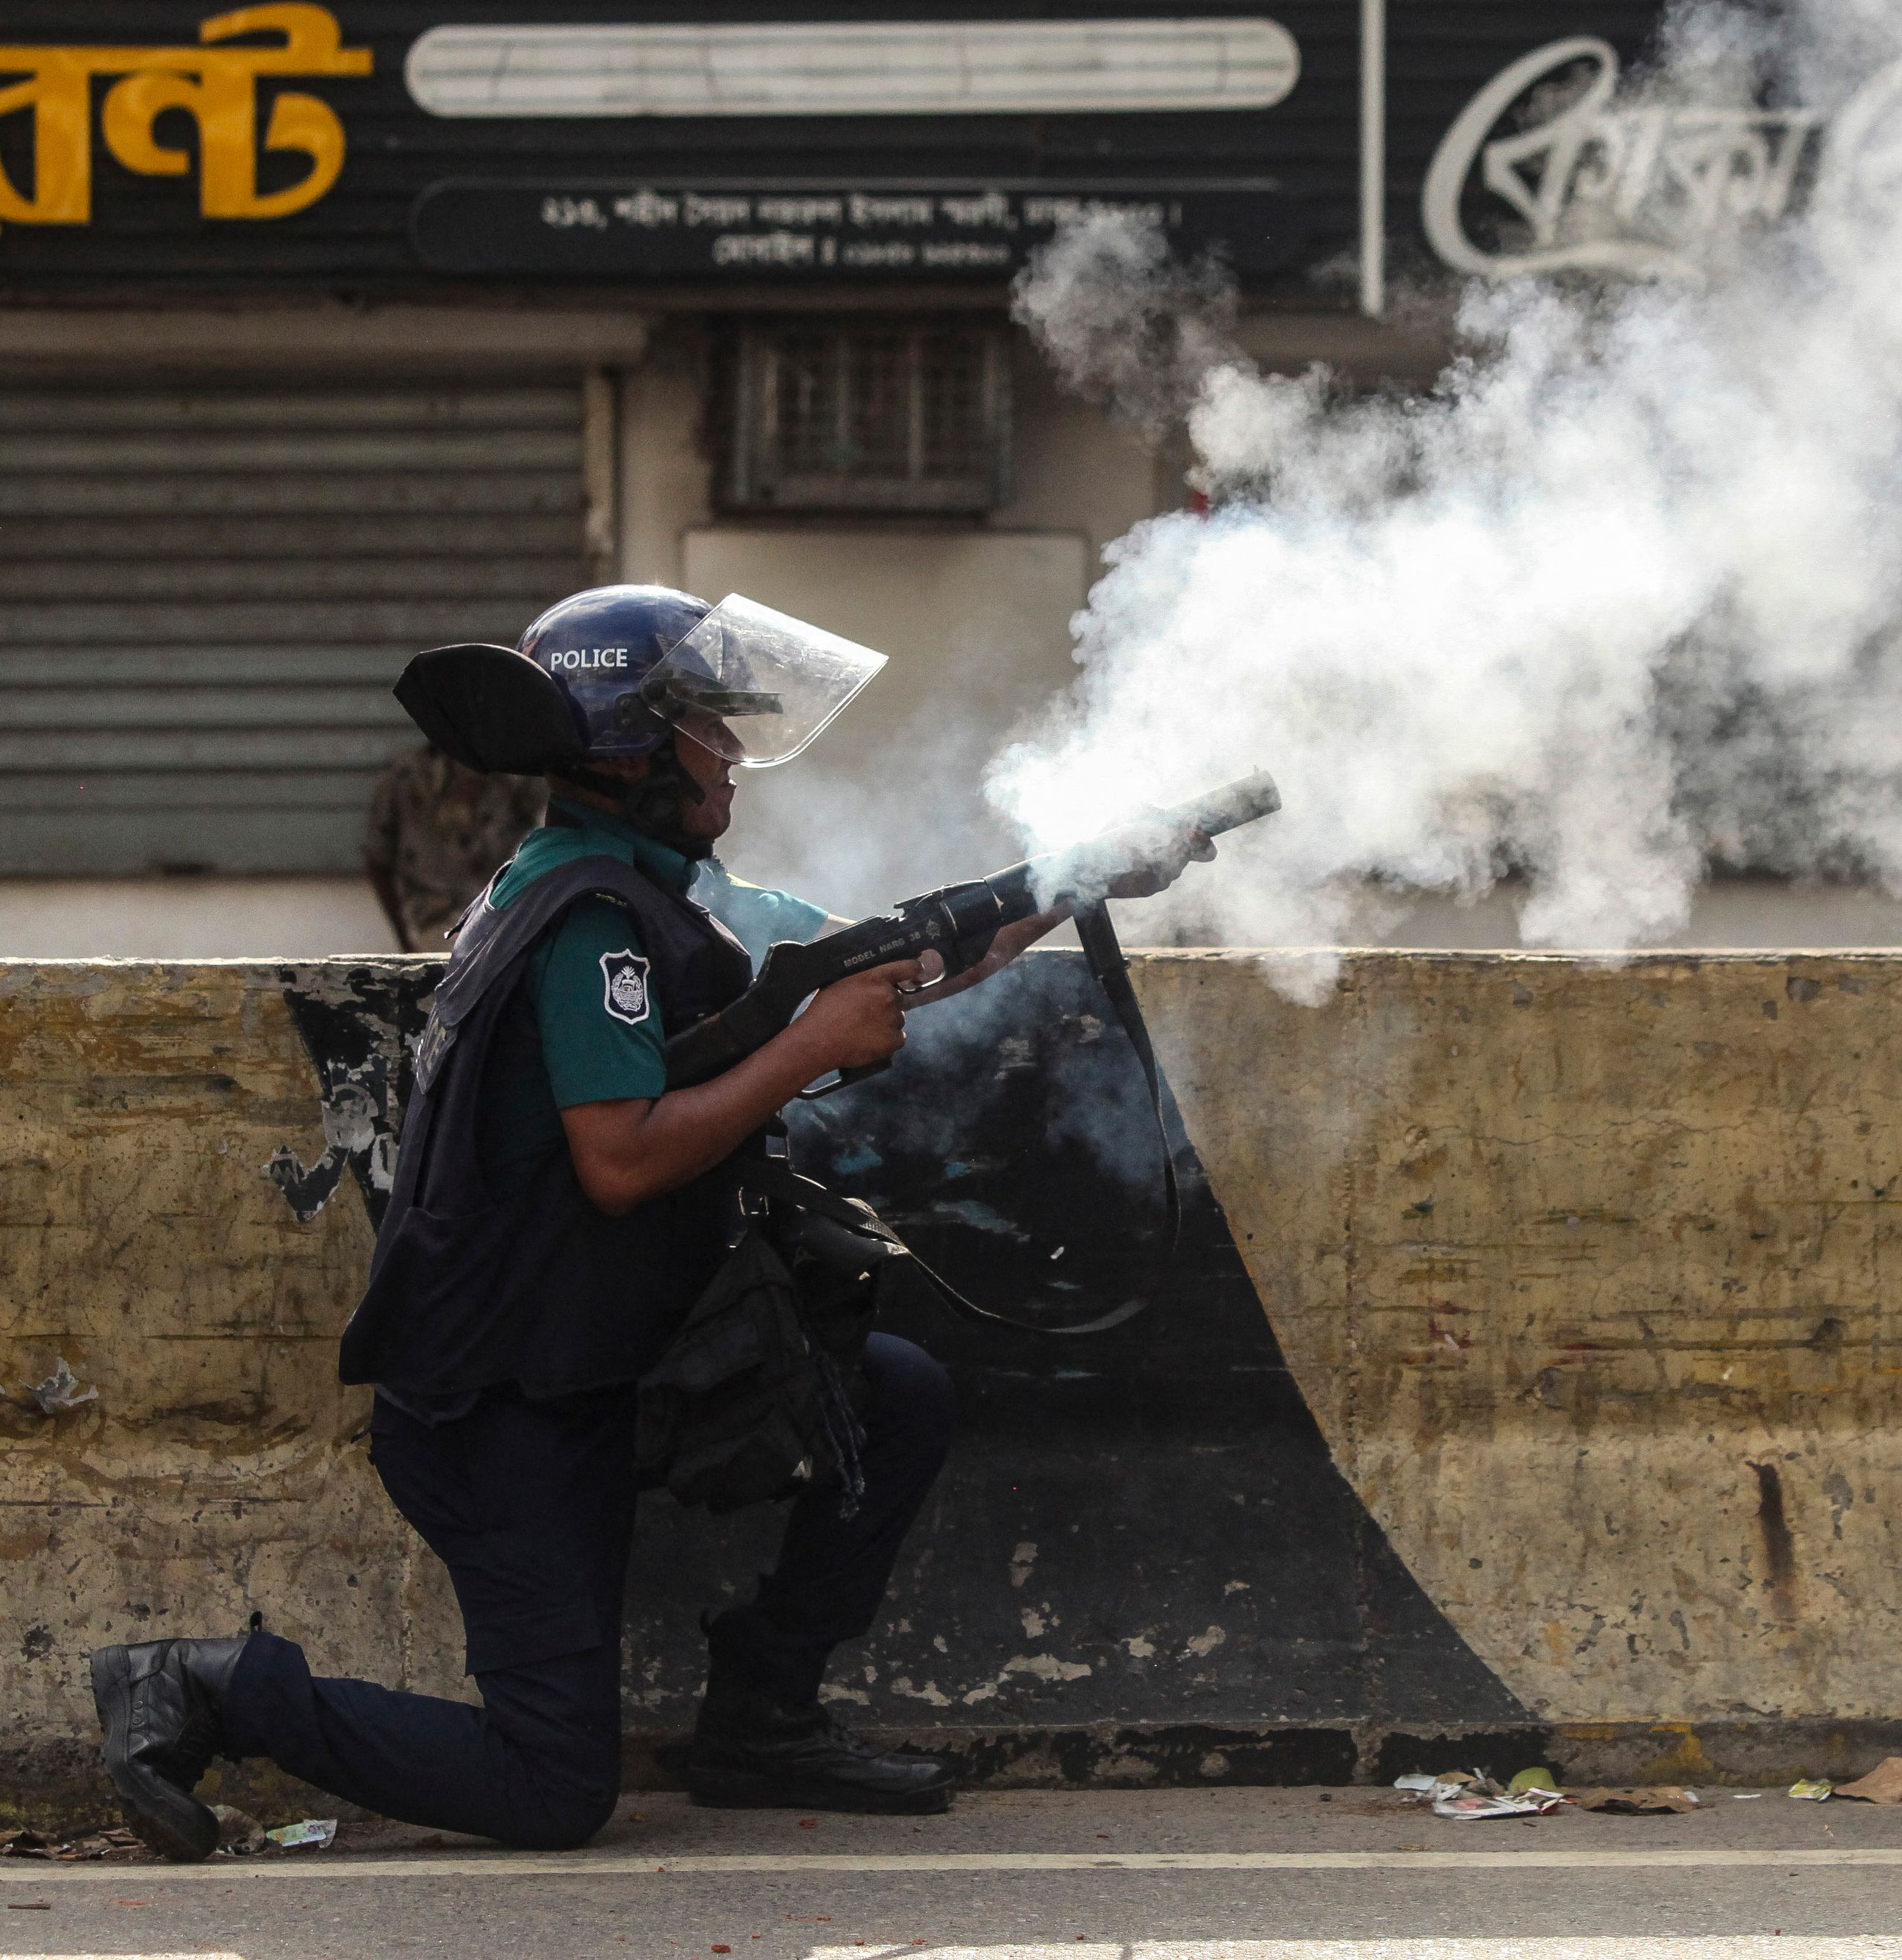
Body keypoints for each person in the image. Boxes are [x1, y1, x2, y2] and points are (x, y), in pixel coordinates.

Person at [85, 585, 1209, 1859]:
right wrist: (807, 1053)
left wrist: (1078, 876)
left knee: (891, 1395)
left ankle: (762, 1715)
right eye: (708, 730)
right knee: (552, 1786)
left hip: (604, 1356)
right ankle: (209, 1686)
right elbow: (619, 1163)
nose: (731, 755)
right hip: (500, 1405)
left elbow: (887, 953)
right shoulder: (589, 924)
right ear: (633, 752)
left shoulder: (647, 884)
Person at [362, 742, 548, 952]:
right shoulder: (408, 774)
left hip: (500, 917)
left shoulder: (516, 774)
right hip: (433, 923)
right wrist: (406, 941)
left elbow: (549, 832)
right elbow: (378, 858)